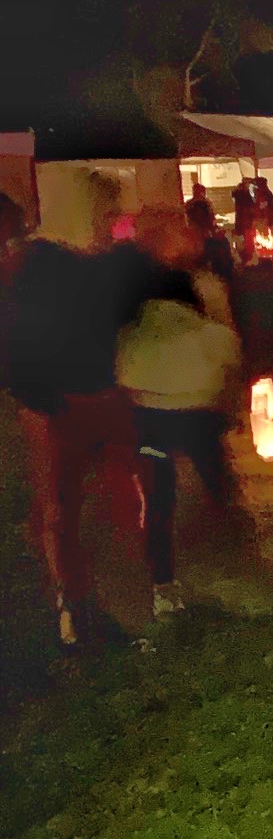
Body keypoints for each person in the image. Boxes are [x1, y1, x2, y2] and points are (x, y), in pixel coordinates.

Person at [2, 236, 150, 648]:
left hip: (57, 408)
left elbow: (14, 365)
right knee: (106, 500)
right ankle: (115, 597)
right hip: (91, 403)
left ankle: (75, 601)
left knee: (59, 509)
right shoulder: (87, 296)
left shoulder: (21, 303)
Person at [115, 218, 246, 617]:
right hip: (189, 409)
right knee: (200, 487)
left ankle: (179, 576)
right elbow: (227, 346)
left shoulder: (135, 296)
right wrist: (230, 399)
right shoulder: (195, 293)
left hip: (157, 411)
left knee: (168, 495)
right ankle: (222, 561)